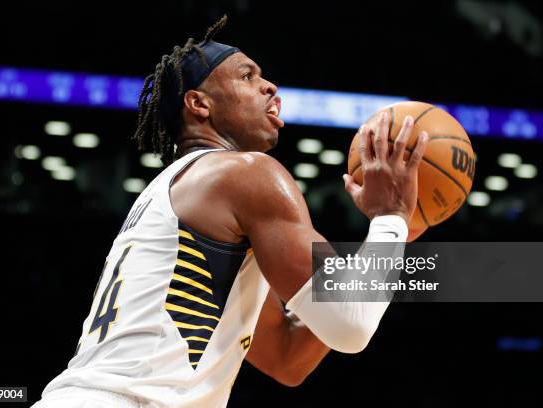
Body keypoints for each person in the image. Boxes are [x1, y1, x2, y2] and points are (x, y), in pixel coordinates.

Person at [32, 16, 428, 408]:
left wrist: (388, 245)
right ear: (199, 104)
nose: (269, 85)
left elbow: (286, 358)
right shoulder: (245, 173)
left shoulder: (176, 195)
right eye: (247, 77)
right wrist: (390, 219)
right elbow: (351, 325)